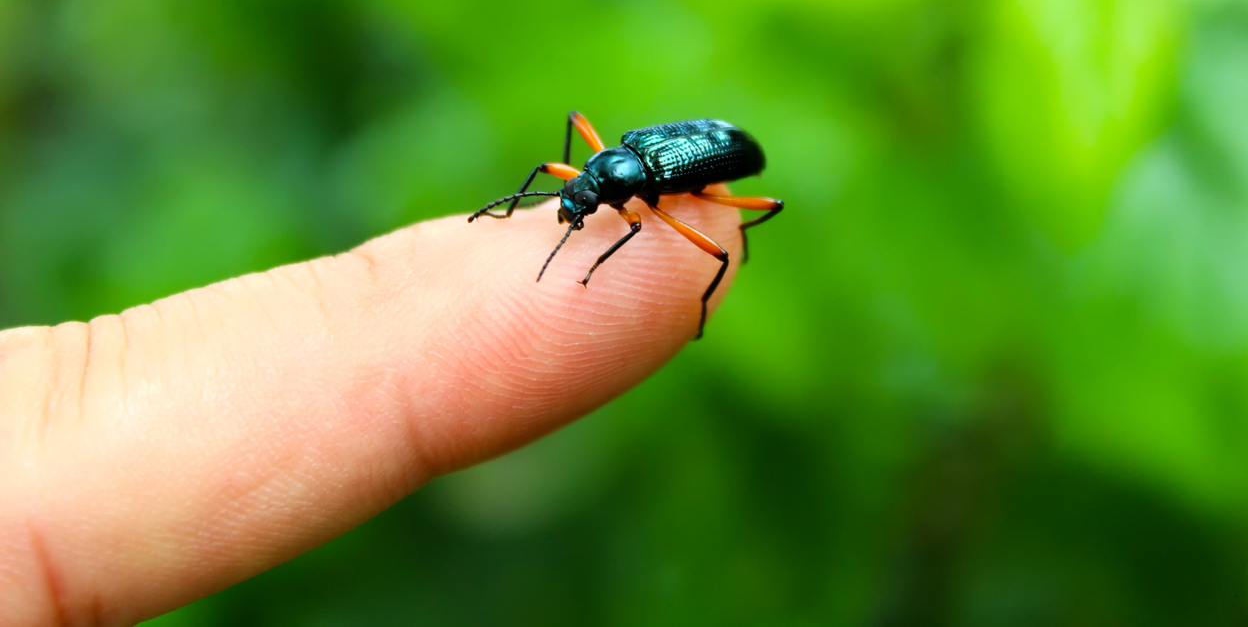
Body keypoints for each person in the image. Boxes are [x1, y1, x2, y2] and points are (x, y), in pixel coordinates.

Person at [0, 194, 744, 626]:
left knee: (703, 248)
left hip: (692, 163)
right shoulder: (596, 174)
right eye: (574, 197)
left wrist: (585, 268)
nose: (574, 207)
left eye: (584, 203)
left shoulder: (643, 206)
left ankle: (704, 293)